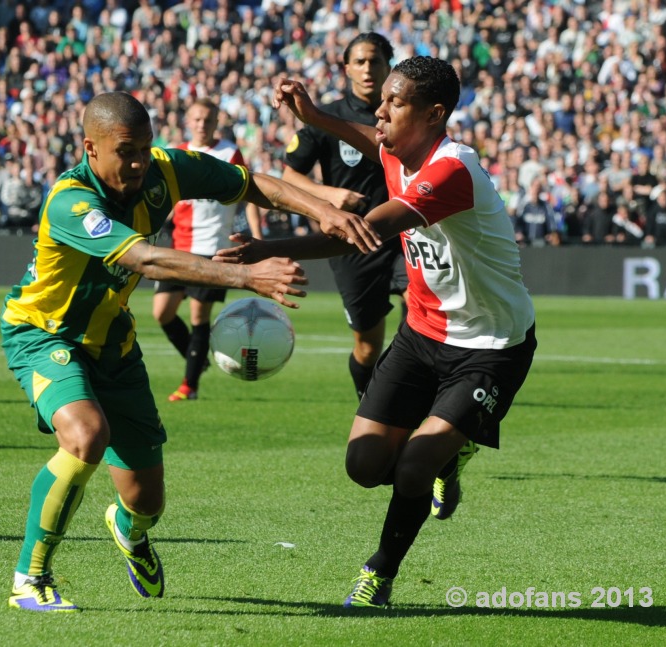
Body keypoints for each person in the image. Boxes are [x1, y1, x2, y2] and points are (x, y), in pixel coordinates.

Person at [1, 91, 379, 613]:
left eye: (144, 149)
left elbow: (251, 184)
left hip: (116, 344)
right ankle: (31, 577)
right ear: (90, 148)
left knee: (145, 501)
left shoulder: (163, 169)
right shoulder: (72, 201)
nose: (137, 162)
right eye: (125, 151)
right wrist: (247, 276)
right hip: (45, 335)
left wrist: (322, 210)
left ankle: (129, 532)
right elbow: (147, 260)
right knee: (86, 435)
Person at [218, 57, 536, 609]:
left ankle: (379, 573)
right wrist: (315, 116)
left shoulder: (451, 170)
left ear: (435, 115)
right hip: (420, 334)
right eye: (382, 101)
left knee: (415, 465)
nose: (380, 111)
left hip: (488, 347)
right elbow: (371, 139)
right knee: (364, 467)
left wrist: (268, 250)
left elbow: (358, 235)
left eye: (395, 103)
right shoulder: (398, 152)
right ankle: (446, 452)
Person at [280, 32, 409, 400]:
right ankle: (367, 402)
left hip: (403, 233)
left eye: (376, 62)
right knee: (368, 346)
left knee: (418, 301)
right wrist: (329, 194)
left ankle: (410, 380)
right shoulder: (328, 118)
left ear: (389, 67)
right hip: (354, 240)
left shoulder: (402, 113)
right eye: (361, 61)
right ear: (347, 67)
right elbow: (290, 173)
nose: (368, 69)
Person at [152, 98, 263, 402]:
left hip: (213, 247)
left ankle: (190, 386)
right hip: (179, 245)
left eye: (208, 120)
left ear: (216, 122)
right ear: (188, 121)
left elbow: (249, 195)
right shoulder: (177, 153)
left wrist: (257, 235)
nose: (202, 125)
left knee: (199, 315)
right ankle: (197, 359)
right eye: (197, 119)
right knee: (162, 312)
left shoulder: (229, 152)